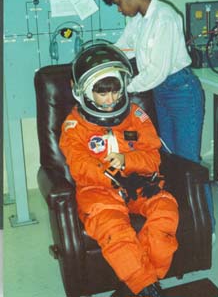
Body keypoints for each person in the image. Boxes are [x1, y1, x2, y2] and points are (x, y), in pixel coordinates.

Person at [98, 0, 215, 234]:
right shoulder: (139, 21)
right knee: (167, 162)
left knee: (189, 164)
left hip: (182, 92)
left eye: (118, 2)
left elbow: (156, 72)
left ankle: (204, 229)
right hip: (162, 93)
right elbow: (121, 49)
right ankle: (180, 225)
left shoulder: (165, 18)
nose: (119, 9)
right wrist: (96, 64)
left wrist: (120, 91)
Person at [59, 43, 179, 297]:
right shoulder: (74, 126)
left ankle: (143, 281)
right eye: (102, 93)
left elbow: (153, 158)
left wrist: (127, 161)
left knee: (166, 210)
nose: (111, 99)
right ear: (83, 92)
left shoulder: (136, 115)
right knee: (113, 227)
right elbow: (79, 165)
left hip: (138, 183)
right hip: (98, 190)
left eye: (115, 91)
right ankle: (145, 286)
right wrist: (110, 174)